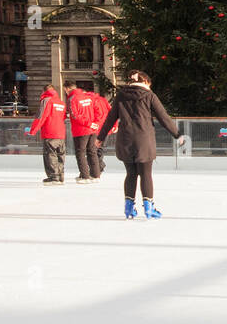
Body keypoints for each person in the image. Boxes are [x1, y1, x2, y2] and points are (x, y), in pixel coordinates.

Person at [97, 69, 184, 219]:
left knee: (131, 174)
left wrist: (100, 137)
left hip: (125, 139)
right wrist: (177, 134)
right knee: (145, 174)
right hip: (144, 140)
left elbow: (111, 118)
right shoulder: (149, 96)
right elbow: (163, 117)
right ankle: (149, 208)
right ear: (145, 82)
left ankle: (129, 208)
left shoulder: (121, 95)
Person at [28, 85, 68, 185]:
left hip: (50, 132)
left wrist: (33, 130)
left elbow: (41, 116)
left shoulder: (46, 101)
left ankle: (54, 177)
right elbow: (63, 117)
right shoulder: (61, 102)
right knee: (60, 155)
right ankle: (60, 176)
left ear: (44, 91)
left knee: (50, 155)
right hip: (61, 133)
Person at [67, 86, 104, 183]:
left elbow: (75, 115)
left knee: (81, 153)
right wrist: (96, 123)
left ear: (67, 89)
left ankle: (85, 176)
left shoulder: (73, 98)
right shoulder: (89, 98)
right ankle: (96, 175)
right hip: (92, 129)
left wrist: (89, 123)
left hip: (81, 130)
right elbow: (99, 111)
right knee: (92, 151)